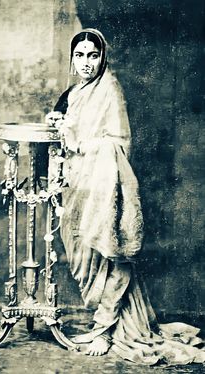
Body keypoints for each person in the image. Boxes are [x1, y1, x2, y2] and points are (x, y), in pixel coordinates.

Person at [46, 29, 205, 365]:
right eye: (80, 55)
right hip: (76, 186)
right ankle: (104, 319)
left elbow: (118, 141)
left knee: (111, 251)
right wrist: (57, 124)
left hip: (104, 184)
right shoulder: (73, 93)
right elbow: (64, 135)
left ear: (103, 58)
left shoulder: (110, 90)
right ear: (72, 59)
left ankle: (106, 327)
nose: (86, 62)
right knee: (79, 252)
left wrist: (73, 137)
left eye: (93, 55)